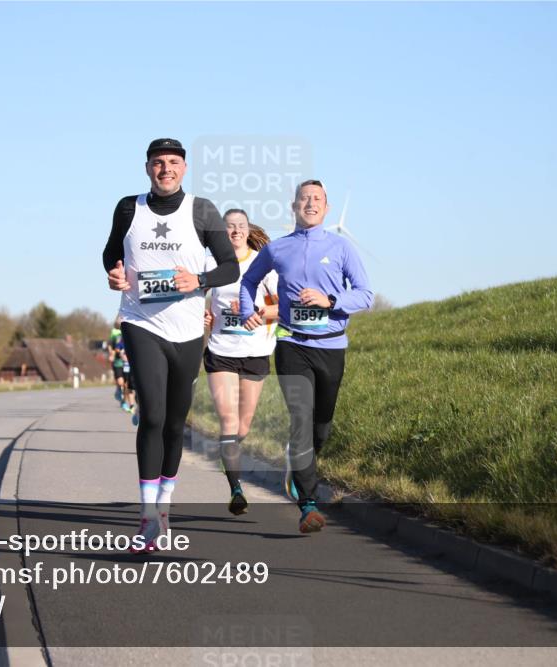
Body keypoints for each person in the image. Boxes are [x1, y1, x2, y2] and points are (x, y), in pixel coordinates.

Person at [103, 138, 239, 551]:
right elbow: (110, 253)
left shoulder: (202, 210)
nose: (166, 169)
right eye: (158, 163)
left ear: (185, 168)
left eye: (174, 162)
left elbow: (230, 266)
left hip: (187, 330)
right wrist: (113, 273)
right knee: (154, 415)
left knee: (177, 423)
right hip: (141, 322)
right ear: (147, 168)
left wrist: (198, 281)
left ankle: (164, 509)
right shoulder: (129, 207)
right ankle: (147, 520)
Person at [240, 180, 372, 534]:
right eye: (304, 198)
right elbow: (248, 281)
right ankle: (308, 505)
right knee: (301, 419)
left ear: (326, 208)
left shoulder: (341, 247)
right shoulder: (278, 249)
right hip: (291, 344)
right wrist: (246, 307)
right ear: (293, 206)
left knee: (321, 427)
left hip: (331, 345)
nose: (310, 203)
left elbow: (365, 295)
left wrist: (331, 302)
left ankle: (299, 464)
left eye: (317, 199)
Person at [202, 210, 279, 515]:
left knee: (243, 426)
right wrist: (202, 314)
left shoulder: (263, 263)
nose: (235, 231)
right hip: (221, 351)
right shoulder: (211, 263)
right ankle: (236, 489)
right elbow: (193, 296)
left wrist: (259, 313)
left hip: (256, 352)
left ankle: (229, 452)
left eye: (240, 226)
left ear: (248, 230)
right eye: (229, 227)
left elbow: (284, 305)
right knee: (229, 422)